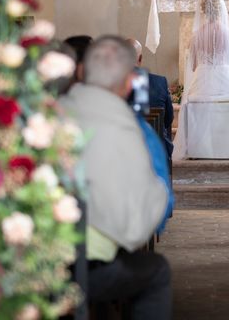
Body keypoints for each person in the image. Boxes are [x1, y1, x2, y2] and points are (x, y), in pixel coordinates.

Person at [59, 35, 172, 319]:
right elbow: (138, 227)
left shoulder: (53, 112)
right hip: (81, 268)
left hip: (31, 257)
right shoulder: (126, 129)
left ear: (81, 72)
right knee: (156, 271)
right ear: (128, 82)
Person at [173, 0, 229, 160]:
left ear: (203, 11)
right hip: (226, 78)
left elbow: (195, 66)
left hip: (201, 78)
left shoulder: (196, 36)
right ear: (221, 10)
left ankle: (199, 148)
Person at [127, 38, 175, 163]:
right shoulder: (159, 82)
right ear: (140, 58)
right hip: (157, 150)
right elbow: (169, 118)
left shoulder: (113, 86)